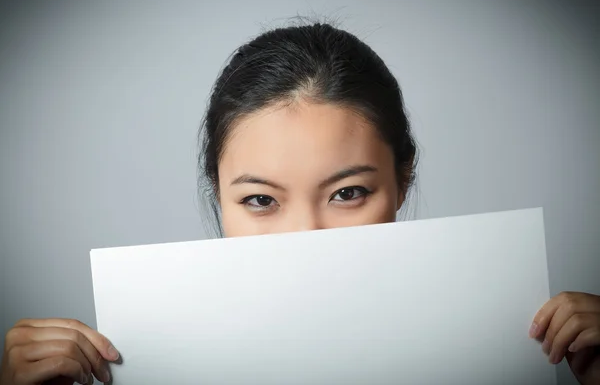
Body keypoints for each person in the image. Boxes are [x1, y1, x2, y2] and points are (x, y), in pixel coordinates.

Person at [1, 22, 599, 385]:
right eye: (260, 199)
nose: (307, 237)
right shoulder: (155, 361)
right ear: (220, 197)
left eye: (348, 193)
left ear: (404, 180)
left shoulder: (506, 348)